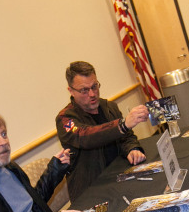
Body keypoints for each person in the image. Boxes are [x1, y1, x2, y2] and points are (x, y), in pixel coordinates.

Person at [55, 61, 150, 202]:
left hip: (120, 178)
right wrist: (122, 125)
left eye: (94, 86)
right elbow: (86, 135)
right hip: (91, 192)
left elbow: (127, 137)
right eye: (84, 90)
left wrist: (132, 149)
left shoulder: (109, 107)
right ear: (71, 91)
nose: (92, 94)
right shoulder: (65, 119)